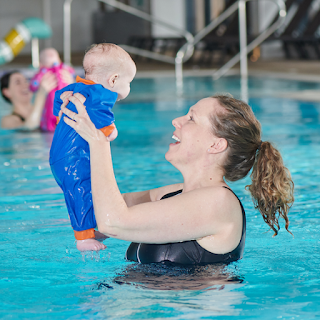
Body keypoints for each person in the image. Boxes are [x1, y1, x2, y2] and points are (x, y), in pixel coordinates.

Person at [58, 93, 294, 265]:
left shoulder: (219, 203)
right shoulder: (170, 195)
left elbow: (113, 222)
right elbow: (94, 216)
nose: (176, 121)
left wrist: (99, 143)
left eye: (191, 118)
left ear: (216, 144)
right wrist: (73, 129)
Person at [50, 43, 136, 252]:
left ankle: (90, 228)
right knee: (81, 190)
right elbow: (104, 122)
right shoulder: (101, 93)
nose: (129, 87)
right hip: (74, 157)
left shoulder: (76, 87)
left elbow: (56, 103)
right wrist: (110, 131)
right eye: (129, 82)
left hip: (58, 156)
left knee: (81, 191)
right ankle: (84, 238)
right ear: (114, 79)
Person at [30, 48, 75, 131]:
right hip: (49, 110)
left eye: (52, 53)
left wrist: (71, 81)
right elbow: (33, 86)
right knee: (49, 126)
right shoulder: (42, 73)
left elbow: (73, 76)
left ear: (60, 60)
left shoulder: (65, 69)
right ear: (41, 64)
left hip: (64, 105)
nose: (50, 54)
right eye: (46, 54)